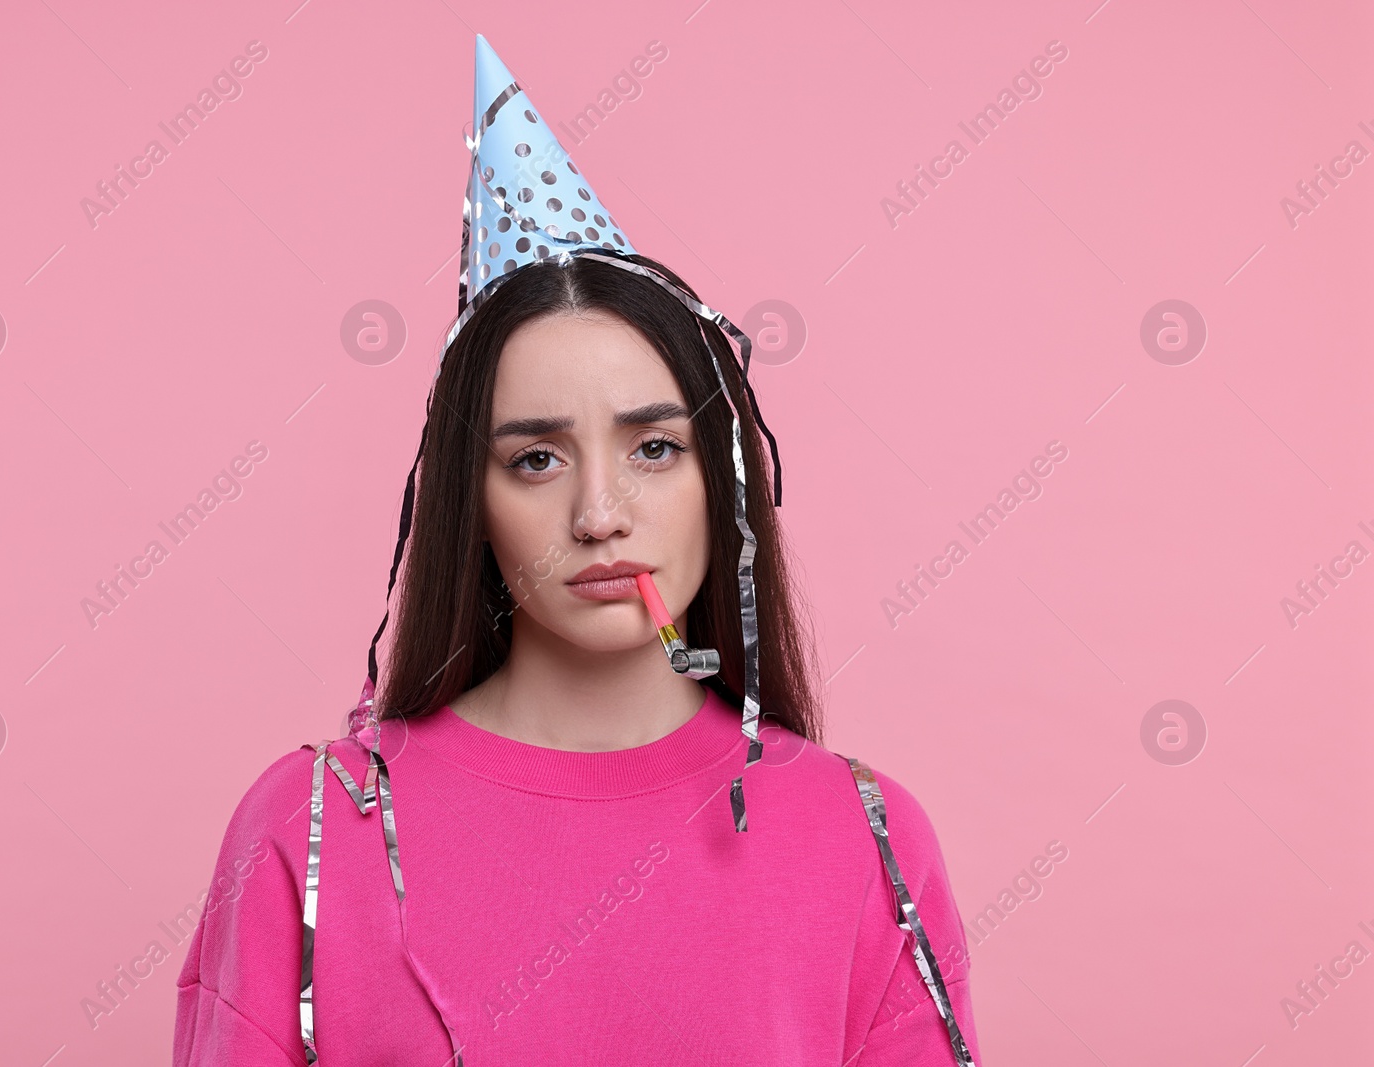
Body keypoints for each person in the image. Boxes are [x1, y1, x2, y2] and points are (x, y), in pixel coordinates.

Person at [173, 35, 981, 1067]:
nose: (601, 512)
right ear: (473, 501)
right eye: (537, 459)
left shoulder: (864, 836)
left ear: (722, 484)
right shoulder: (310, 822)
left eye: (652, 447)